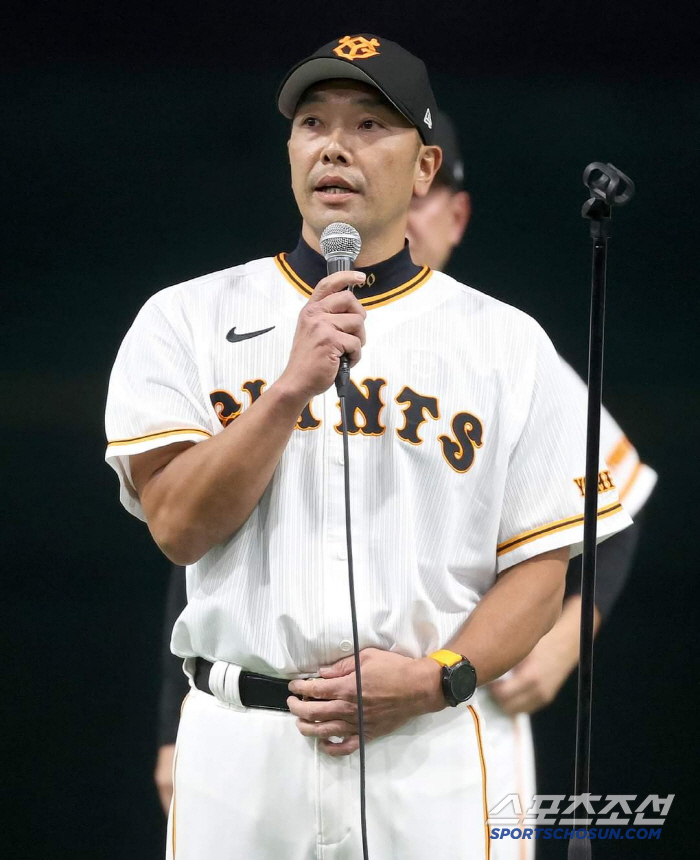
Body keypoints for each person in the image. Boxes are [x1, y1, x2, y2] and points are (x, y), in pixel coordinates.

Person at [105, 34, 631, 859]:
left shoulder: (507, 342)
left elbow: (539, 571)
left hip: (430, 749)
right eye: (311, 123)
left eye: (368, 126)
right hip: (244, 751)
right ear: (290, 153)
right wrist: (286, 391)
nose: (335, 146)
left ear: (425, 168)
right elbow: (176, 527)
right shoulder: (185, 318)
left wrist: (437, 679)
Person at [405, 111, 657, 859]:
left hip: (460, 696)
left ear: (456, 213)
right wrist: (174, 725)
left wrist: (561, 645)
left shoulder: (499, 343)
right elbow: (212, 543)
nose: (406, 211)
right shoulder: (299, 332)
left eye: (424, 189)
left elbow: (617, 498)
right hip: (297, 704)